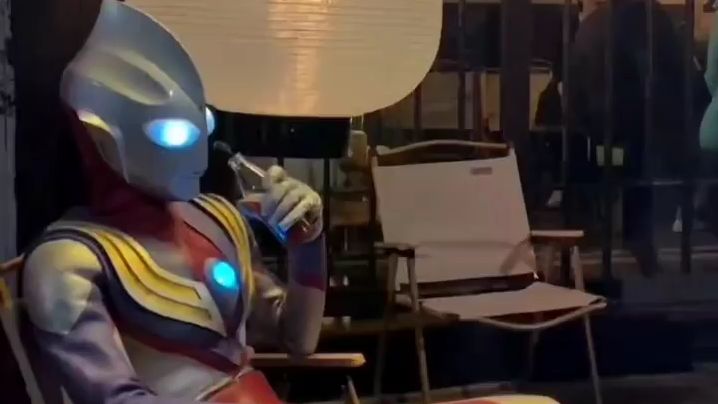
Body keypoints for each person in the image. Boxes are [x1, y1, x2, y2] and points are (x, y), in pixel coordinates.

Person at [17, 1, 326, 402]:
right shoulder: (69, 262)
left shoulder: (218, 221)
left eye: (204, 125)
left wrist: (308, 241)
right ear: (99, 132)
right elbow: (116, 398)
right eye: (172, 133)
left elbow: (299, 337)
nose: (197, 150)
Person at [567, 0, 703, 275]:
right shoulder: (651, 19)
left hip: (595, 127)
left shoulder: (592, 25)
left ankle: (591, 228)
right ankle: (643, 241)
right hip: (636, 123)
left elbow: (573, 86)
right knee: (646, 171)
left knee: (617, 169)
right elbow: (676, 74)